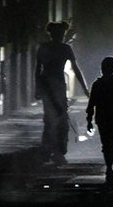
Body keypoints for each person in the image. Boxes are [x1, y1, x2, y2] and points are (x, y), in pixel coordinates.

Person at [35, 21, 89, 166]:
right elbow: (76, 69)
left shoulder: (44, 47)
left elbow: (38, 70)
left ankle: (49, 150)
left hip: (50, 86)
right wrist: (85, 89)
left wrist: (38, 88)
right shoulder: (65, 48)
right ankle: (57, 150)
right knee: (60, 118)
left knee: (51, 118)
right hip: (56, 86)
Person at [86, 57, 113, 183]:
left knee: (106, 143)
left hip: (102, 118)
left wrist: (89, 120)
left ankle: (109, 168)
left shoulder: (97, 84)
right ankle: (112, 168)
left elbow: (91, 104)